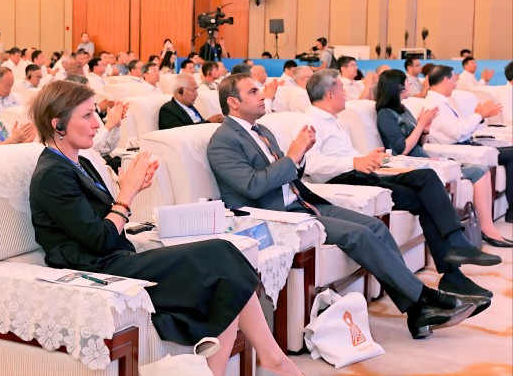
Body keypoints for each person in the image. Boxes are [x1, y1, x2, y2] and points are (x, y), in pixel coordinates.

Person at [28, 80, 303, 376]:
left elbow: (105, 223)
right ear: (58, 124)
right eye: (87, 116)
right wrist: (127, 194)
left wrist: (129, 190)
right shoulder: (52, 174)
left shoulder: (80, 163)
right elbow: (100, 240)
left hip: (116, 256)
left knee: (225, 256)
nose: (97, 123)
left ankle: (261, 361)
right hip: (96, 269)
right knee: (220, 256)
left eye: (95, 113)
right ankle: (269, 361)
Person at [208, 73, 487, 340]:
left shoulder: (263, 131)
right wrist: (292, 157)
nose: (262, 95)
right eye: (253, 91)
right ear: (233, 102)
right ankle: (426, 299)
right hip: (274, 216)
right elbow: (252, 186)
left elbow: (290, 171)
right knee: (359, 234)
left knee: (375, 226)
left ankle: (418, 311)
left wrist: (300, 156)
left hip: (300, 202)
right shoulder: (223, 141)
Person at [375, 69, 507, 250]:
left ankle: (487, 226)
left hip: (421, 157)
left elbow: (419, 143)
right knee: (477, 171)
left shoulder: (403, 110)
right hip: (409, 164)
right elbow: (402, 149)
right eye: (406, 82)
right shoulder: (385, 114)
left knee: (480, 170)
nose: (410, 85)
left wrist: (425, 130)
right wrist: (421, 125)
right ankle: (486, 228)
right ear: (398, 87)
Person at [425, 65, 513, 223]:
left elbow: (465, 129)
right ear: (444, 80)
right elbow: (457, 132)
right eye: (453, 79)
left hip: (467, 143)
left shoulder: (445, 102)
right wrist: (478, 115)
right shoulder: (434, 105)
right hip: (457, 149)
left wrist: (481, 117)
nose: (455, 82)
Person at [158, 73, 224, 130]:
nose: (196, 94)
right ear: (180, 91)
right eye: (193, 90)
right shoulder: (168, 110)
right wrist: (209, 122)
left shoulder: (190, 106)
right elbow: (181, 132)